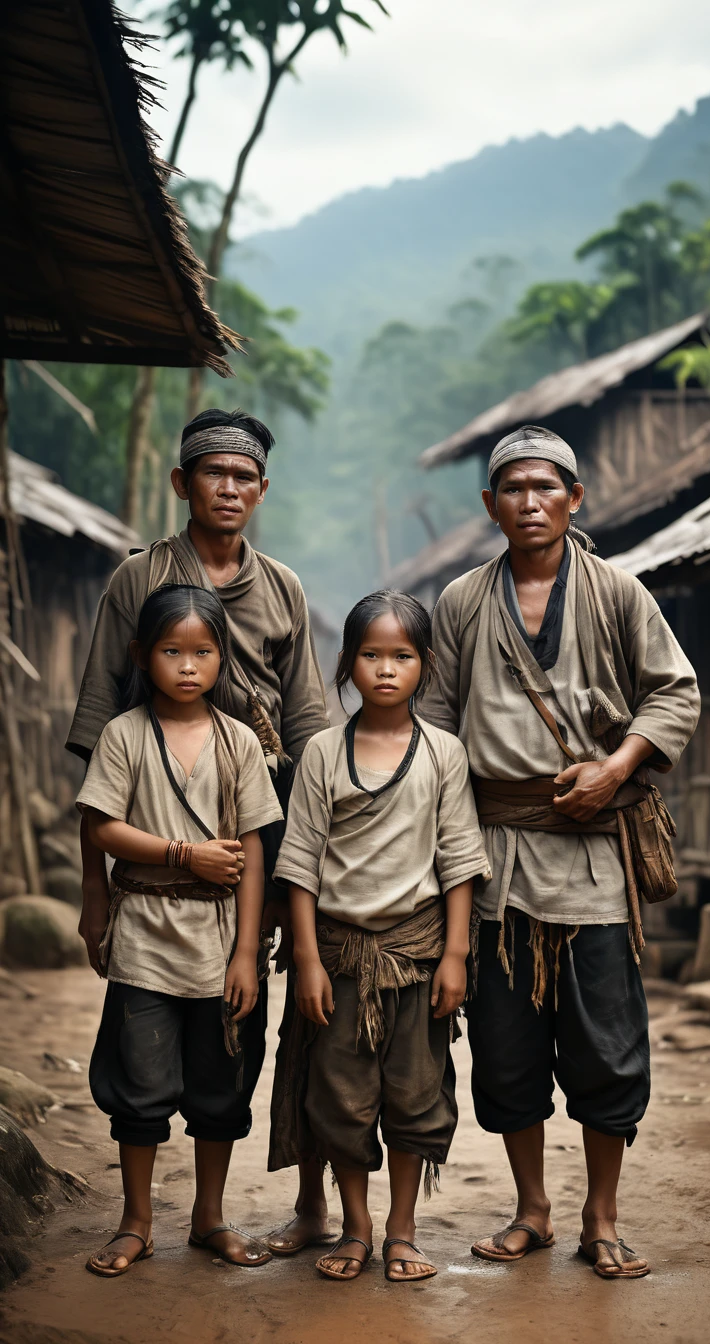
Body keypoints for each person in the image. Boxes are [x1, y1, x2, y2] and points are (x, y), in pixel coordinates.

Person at [420, 425, 700, 1279]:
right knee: (506, 1049)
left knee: (607, 1049)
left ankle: (601, 1216)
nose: (530, 501)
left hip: (593, 860)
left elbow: (674, 691)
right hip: (496, 856)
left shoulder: (617, 591)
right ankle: (532, 1209)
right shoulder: (463, 599)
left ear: (575, 499)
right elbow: (434, 721)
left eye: (546, 487)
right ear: (489, 505)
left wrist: (616, 769)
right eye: (512, 488)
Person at [67, 408, 333, 1259]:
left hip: (255, 841)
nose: (229, 488)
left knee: (238, 1036)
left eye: (243, 476)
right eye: (211, 473)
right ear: (182, 484)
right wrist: (93, 893)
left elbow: (311, 740)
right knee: (141, 1058)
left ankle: (238, 1212)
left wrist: (297, 891)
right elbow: (98, 752)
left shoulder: (283, 587)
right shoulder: (137, 580)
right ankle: (138, 1219)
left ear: (262, 488)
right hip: (149, 847)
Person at [270, 590, 490, 1283]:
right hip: (338, 958)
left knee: (418, 1095)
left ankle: (402, 1229)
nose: (386, 669)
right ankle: (356, 1228)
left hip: (418, 957)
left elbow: (459, 860)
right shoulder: (323, 755)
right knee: (339, 1095)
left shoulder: (444, 754)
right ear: (348, 663)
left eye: (402, 656)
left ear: (425, 665)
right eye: (371, 655)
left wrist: (454, 955)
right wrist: (306, 958)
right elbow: (300, 862)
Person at [79, 585, 284, 1276]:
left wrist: (248, 953)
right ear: (143, 655)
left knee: (220, 1085)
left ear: (223, 658)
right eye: (172, 651)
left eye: (204, 652)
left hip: (222, 938)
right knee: (139, 1087)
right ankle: (135, 1220)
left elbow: (254, 850)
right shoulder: (124, 734)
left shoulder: (241, 744)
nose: (188, 666)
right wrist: (181, 854)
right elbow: (102, 825)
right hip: (143, 935)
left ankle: (209, 1217)